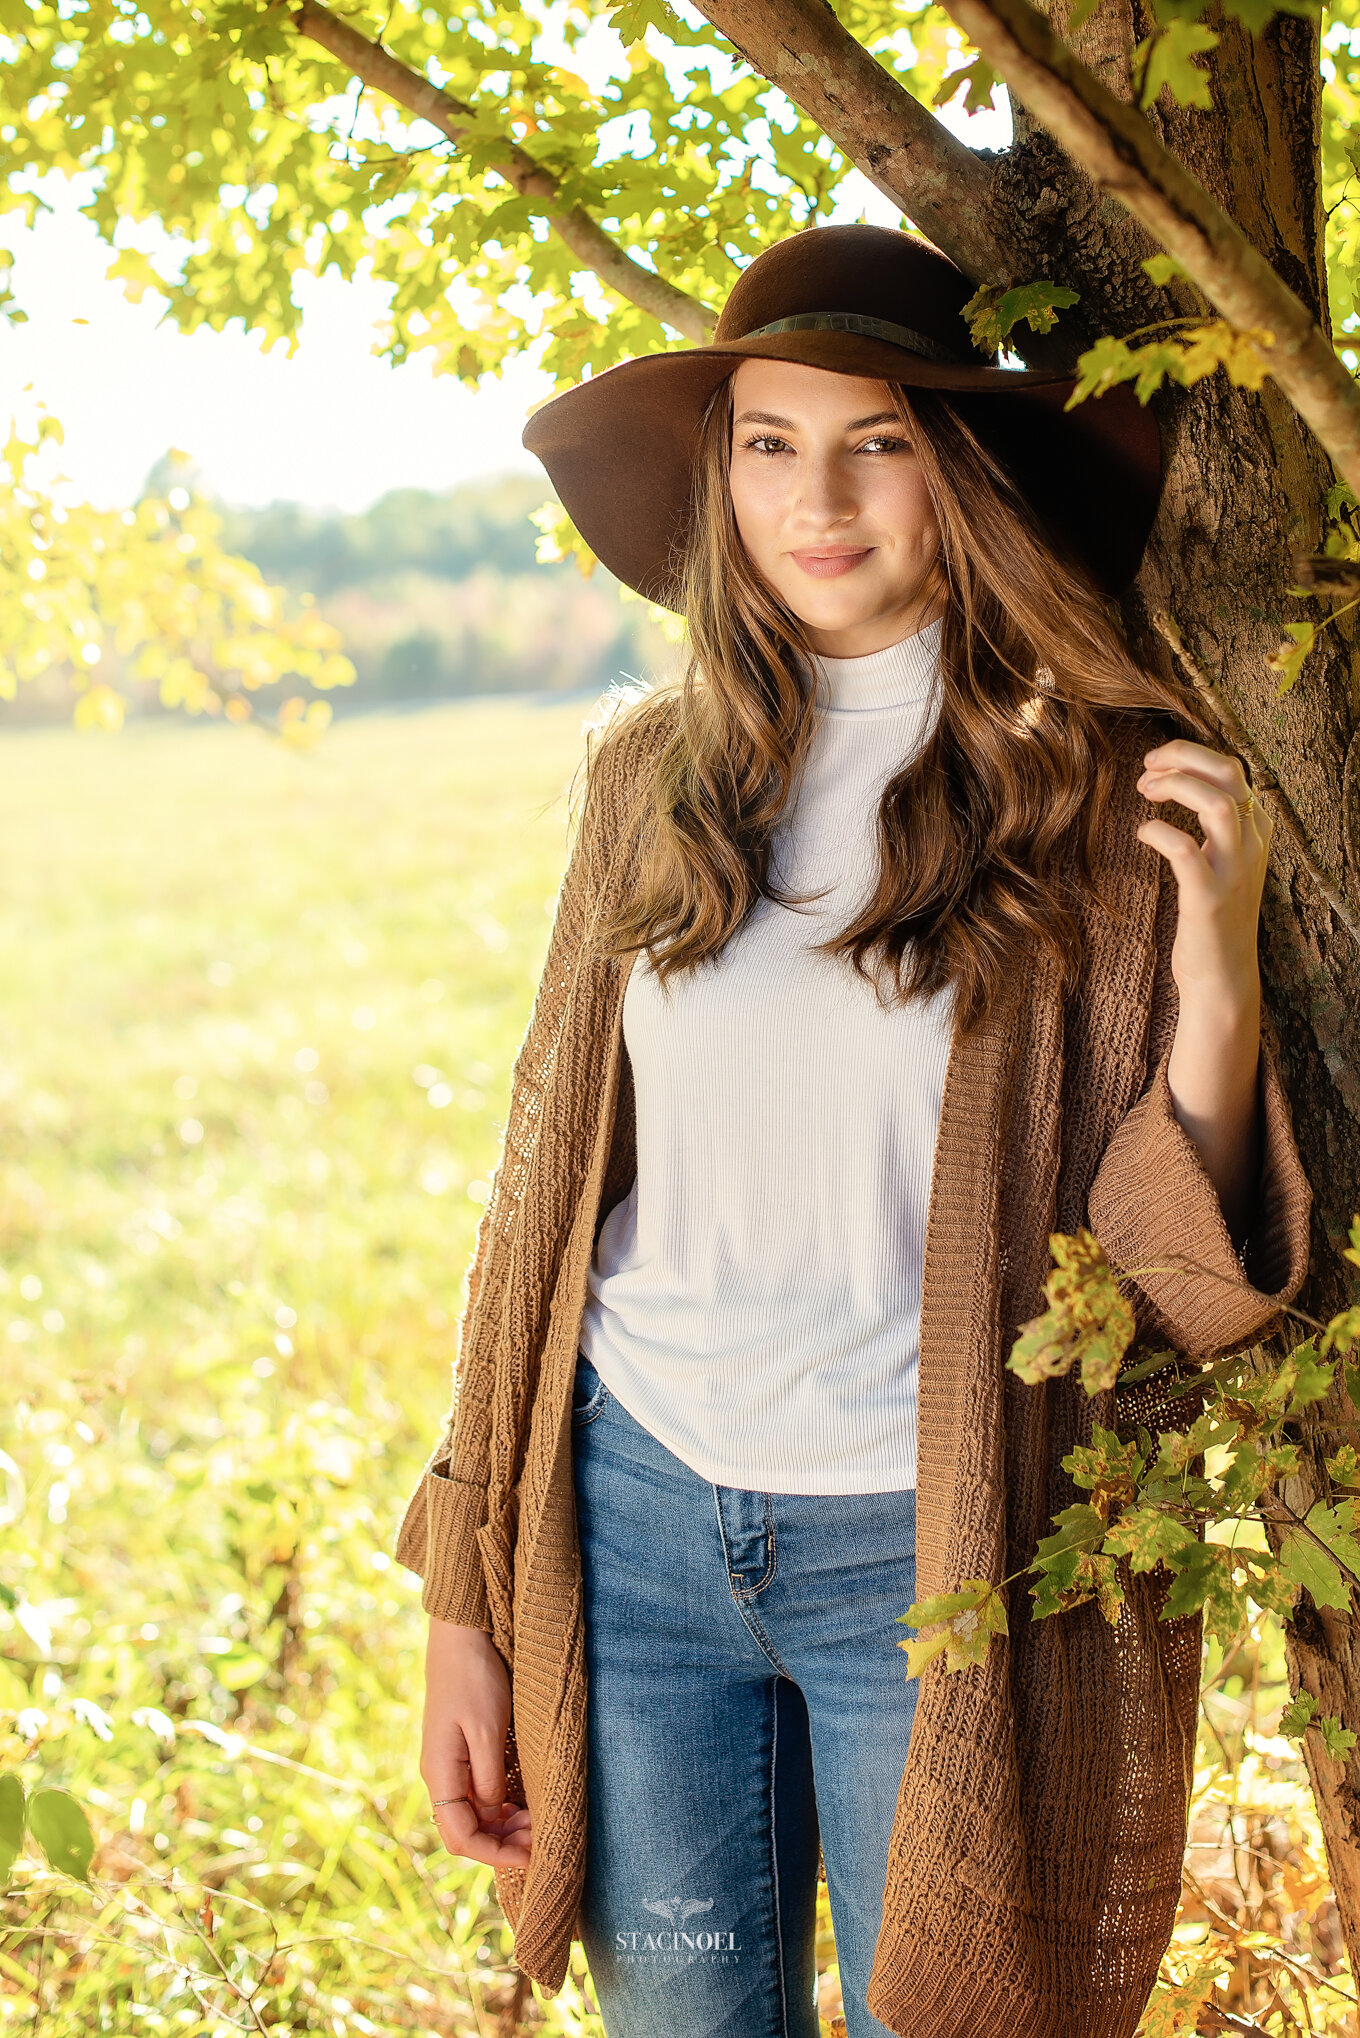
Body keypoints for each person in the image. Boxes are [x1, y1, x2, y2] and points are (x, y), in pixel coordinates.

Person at [398, 226, 1312, 2038]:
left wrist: (1216, 977)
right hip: (635, 1512)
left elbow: (1158, 1280)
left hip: (931, 1548)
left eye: (877, 440)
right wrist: (471, 1591)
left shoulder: (1097, 791)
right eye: (767, 442)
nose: (816, 498)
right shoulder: (653, 775)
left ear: (956, 469)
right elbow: (546, 1191)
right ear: (719, 472)